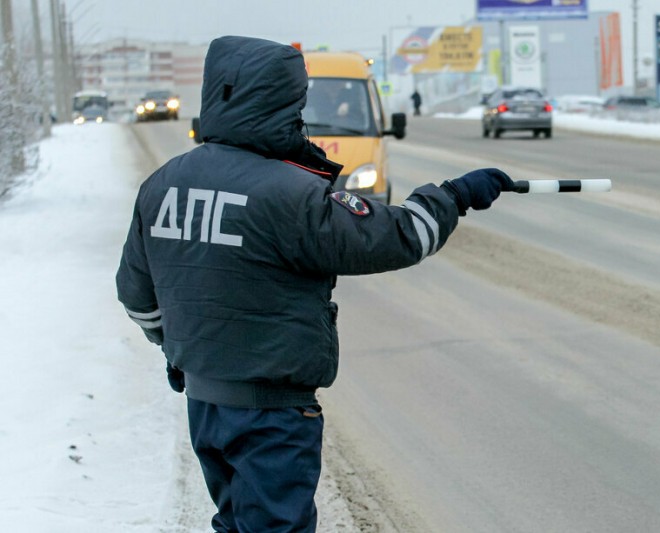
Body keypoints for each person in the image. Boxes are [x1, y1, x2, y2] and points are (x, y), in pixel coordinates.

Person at [115, 36, 513, 533]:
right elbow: (400, 236)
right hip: (271, 417)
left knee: (237, 523)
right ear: (284, 102)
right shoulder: (290, 194)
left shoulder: (163, 184)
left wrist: (180, 348)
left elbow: (136, 296)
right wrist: (455, 195)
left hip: (206, 405)